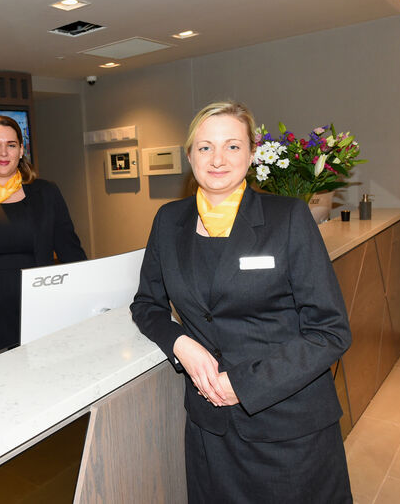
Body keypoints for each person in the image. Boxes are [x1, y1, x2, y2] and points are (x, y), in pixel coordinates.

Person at [130, 101, 352, 502]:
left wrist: (244, 384)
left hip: (288, 427)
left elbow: (330, 331)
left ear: (251, 155)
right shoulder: (168, 220)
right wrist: (181, 344)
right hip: (211, 430)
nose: (217, 159)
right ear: (190, 157)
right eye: (205, 147)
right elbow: (147, 304)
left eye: (232, 146)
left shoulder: (288, 217)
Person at [0, 114, 86, 358]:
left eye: (11, 145)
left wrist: (87, 300)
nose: (3, 152)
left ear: (21, 150)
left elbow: (71, 252)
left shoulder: (47, 193)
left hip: (41, 311)